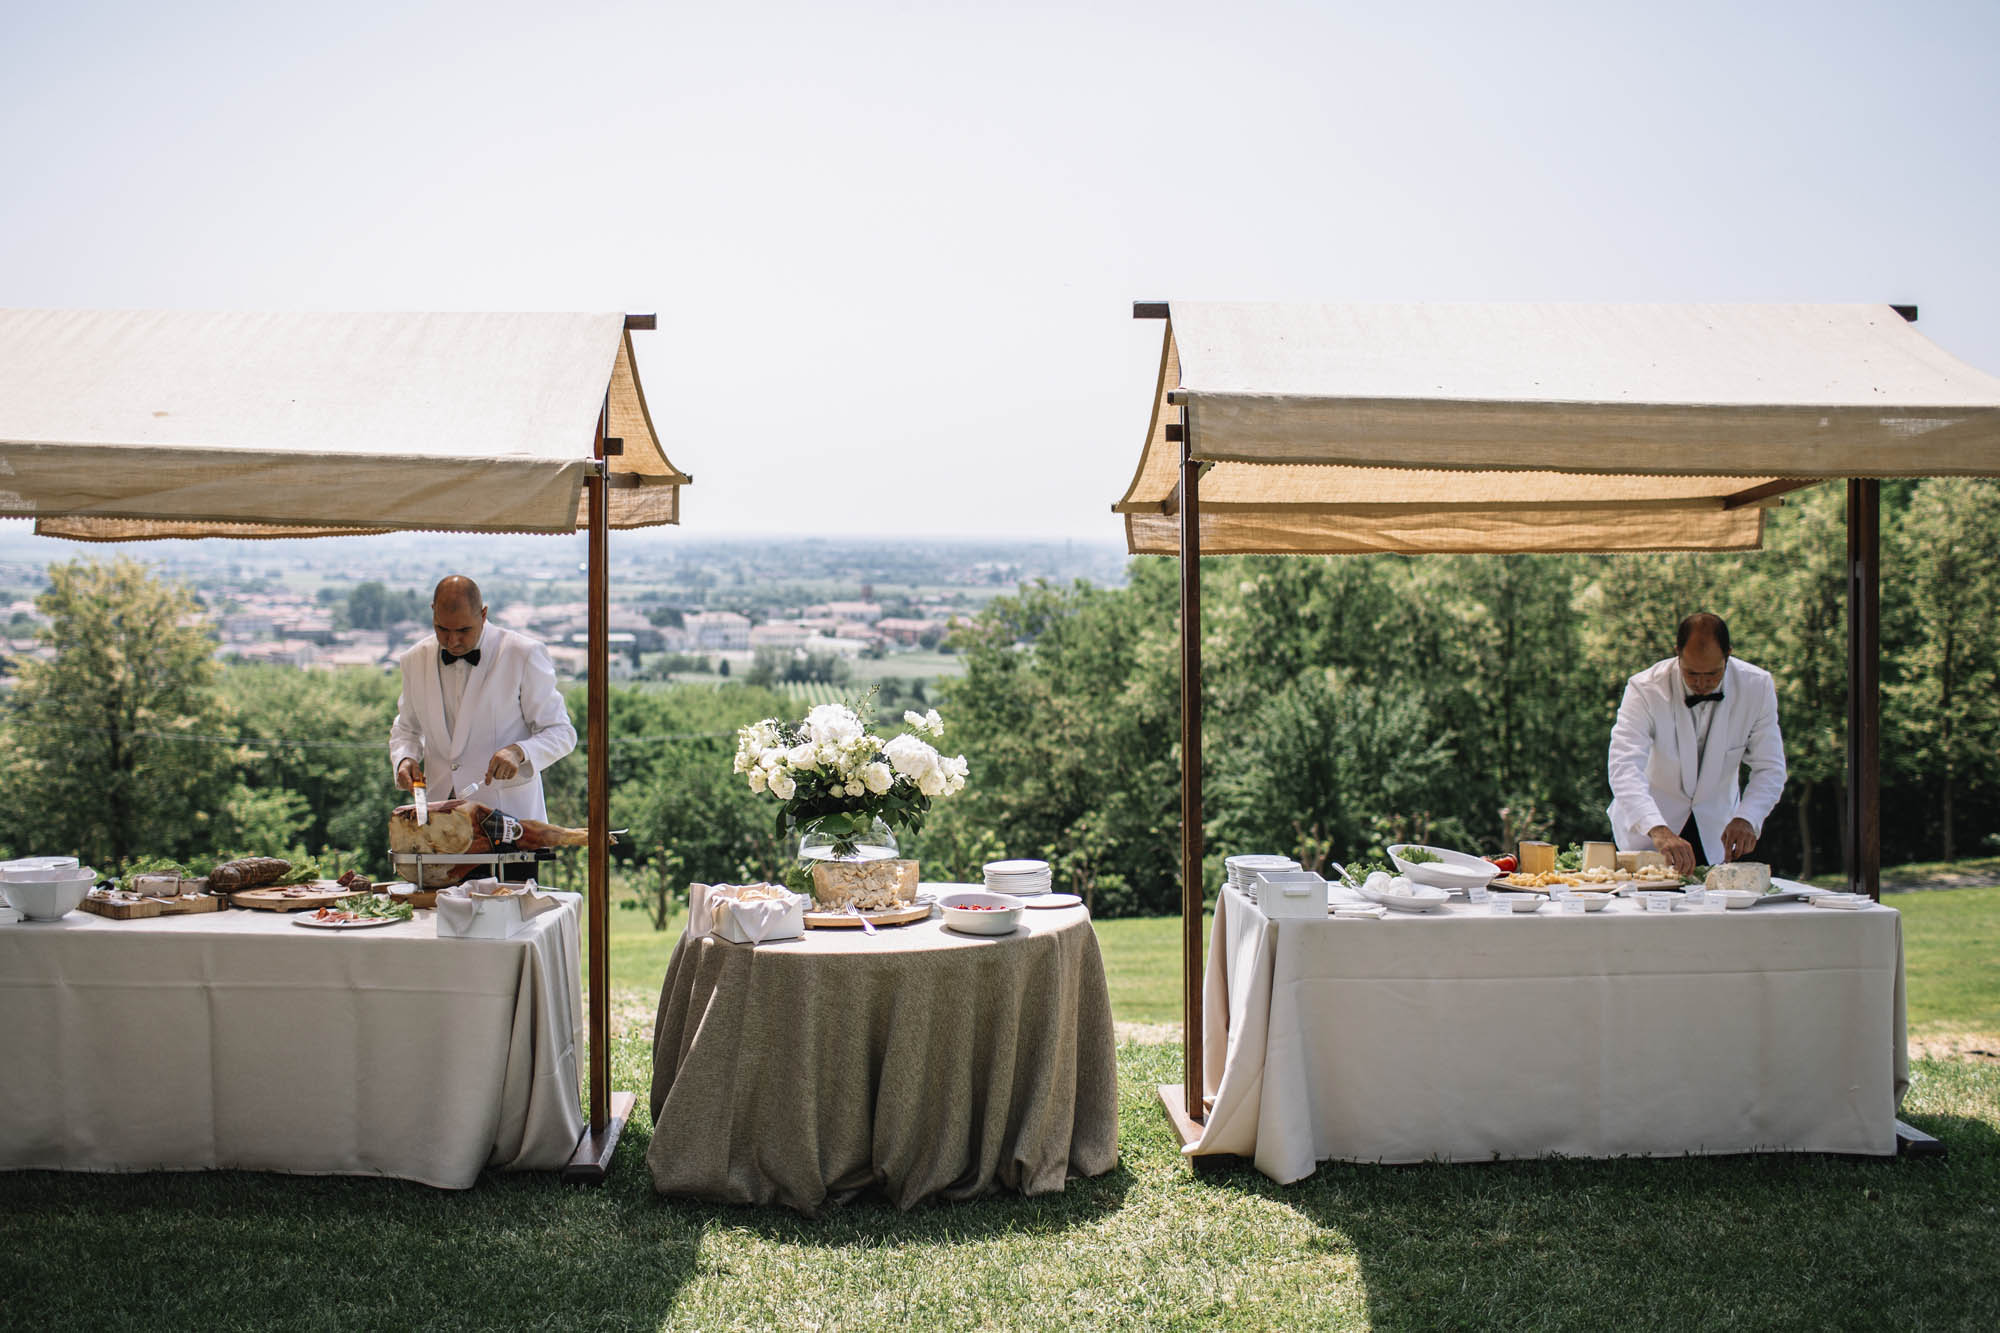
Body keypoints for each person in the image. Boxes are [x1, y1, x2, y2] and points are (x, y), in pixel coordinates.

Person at [1606, 612, 1786, 874]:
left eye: (1713, 674)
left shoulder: (1757, 687)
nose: (1702, 684)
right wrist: (1657, 828)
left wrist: (1747, 817)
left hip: (1716, 834)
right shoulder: (1644, 688)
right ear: (1677, 653)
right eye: (1691, 673)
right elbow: (1624, 767)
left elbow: (1770, 768)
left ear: (1728, 654)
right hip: (1649, 833)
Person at [390, 575, 576, 823]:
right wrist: (405, 758)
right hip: (439, 824)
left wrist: (520, 752)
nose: (453, 641)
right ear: (433, 613)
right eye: (442, 629)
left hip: (512, 822)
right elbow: (407, 729)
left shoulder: (523, 654)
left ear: (484, 614)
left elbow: (562, 732)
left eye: (464, 630)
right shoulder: (413, 659)